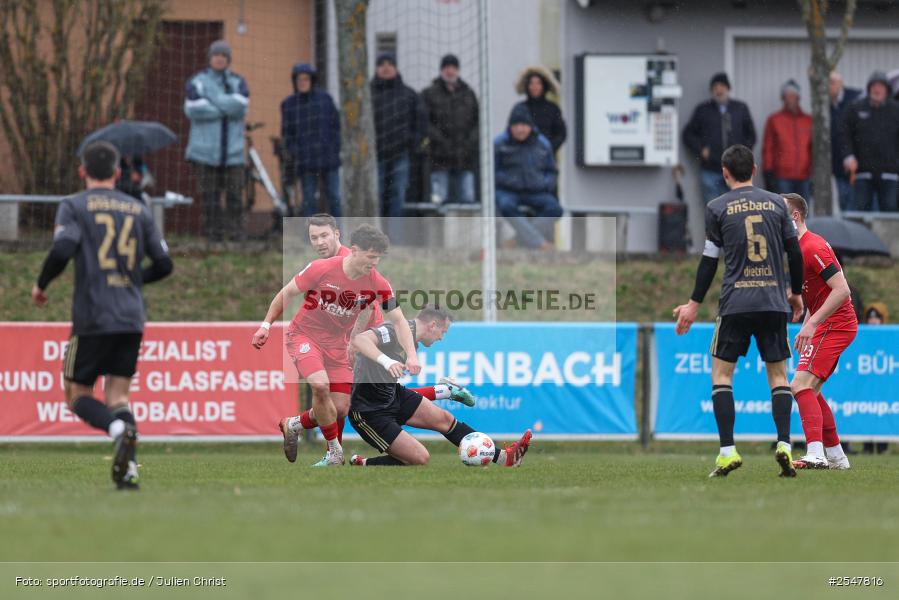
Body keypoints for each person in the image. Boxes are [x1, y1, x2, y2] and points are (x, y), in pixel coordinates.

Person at [276, 214, 476, 463]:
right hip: (345, 339)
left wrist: (355, 338)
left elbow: (369, 304)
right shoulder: (327, 265)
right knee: (350, 396)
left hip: (367, 335)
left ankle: (321, 444)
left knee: (365, 395)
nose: (319, 242)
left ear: (337, 235)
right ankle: (328, 449)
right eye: (314, 238)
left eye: (324, 235)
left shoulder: (356, 259)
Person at [31, 141, 174, 489]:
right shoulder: (138, 208)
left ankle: (116, 429)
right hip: (131, 317)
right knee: (119, 397)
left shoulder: (74, 205)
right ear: (117, 172)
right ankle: (129, 471)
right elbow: (164, 264)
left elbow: (63, 248)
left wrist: (41, 284)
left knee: (76, 394)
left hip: (93, 316)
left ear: (82, 171)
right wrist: (132, 280)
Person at [673, 144, 804, 478]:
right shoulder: (778, 204)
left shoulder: (717, 207)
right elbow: (794, 251)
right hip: (773, 302)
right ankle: (784, 444)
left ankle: (727, 451)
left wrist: (693, 304)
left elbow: (709, 260)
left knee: (722, 375)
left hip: (736, 303)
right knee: (779, 376)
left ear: (724, 172)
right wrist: (796, 292)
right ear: (755, 170)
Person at [252, 225, 420, 467]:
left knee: (340, 409)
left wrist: (411, 355)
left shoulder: (378, 282)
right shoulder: (321, 268)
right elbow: (286, 293)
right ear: (354, 250)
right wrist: (266, 326)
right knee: (320, 386)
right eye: (371, 257)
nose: (375, 262)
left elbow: (399, 320)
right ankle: (334, 453)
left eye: (379, 258)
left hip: (338, 345)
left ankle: (294, 424)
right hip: (305, 336)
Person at [347, 304, 532, 467]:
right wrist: (387, 362)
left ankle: (503, 458)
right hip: (368, 410)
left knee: (444, 419)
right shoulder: (395, 330)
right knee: (420, 458)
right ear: (432, 325)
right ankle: (364, 464)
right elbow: (361, 339)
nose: (442, 338)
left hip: (392, 395)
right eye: (443, 332)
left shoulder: (410, 340)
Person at [780, 194, 855, 470]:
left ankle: (816, 453)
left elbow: (842, 290)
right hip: (827, 323)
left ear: (795, 216)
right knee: (811, 389)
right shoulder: (798, 249)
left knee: (799, 385)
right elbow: (819, 295)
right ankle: (836, 456)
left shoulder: (812, 246)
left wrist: (812, 324)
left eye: (780, 213)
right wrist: (807, 323)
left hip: (836, 324)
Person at [184, 40, 250, 241]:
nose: (219, 58)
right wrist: (226, 106)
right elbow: (194, 108)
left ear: (228, 59)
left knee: (235, 196)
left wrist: (212, 100)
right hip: (205, 153)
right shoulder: (197, 81)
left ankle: (236, 234)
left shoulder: (238, 81)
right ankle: (213, 235)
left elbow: (241, 104)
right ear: (210, 58)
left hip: (233, 153)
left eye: (223, 55)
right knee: (210, 197)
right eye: (216, 55)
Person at [371, 53, 425, 242]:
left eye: (390, 63)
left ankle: (396, 240)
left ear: (396, 67)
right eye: (382, 64)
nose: (386, 67)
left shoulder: (409, 95)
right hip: (375, 157)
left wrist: (412, 144)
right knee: (375, 197)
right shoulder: (367, 94)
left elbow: (420, 124)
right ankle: (373, 239)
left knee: (397, 197)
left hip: (401, 155)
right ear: (376, 68)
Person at [494, 104, 562, 250]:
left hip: (536, 191)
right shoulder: (499, 144)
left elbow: (551, 171)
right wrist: (507, 180)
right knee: (505, 205)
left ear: (530, 126)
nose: (520, 129)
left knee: (555, 209)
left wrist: (545, 183)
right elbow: (492, 170)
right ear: (510, 126)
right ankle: (539, 243)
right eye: (516, 125)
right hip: (508, 190)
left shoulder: (543, 144)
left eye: (523, 125)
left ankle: (518, 241)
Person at [683, 72, 757, 204]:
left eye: (722, 86)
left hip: (736, 170)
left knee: (737, 208)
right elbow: (688, 134)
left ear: (728, 88)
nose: (719, 90)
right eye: (715, 87)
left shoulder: (740, 108)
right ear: (711, 91)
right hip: (710, 169)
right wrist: (701, 150)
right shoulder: (703, 110)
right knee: (714, 208)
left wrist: (743, 154)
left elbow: (751, 135)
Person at [280, 63, 341, 217]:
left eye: (306, 79)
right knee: (308, 200)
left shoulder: (325, 99)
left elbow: (337, 126)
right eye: (299, 79)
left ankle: (339, 230)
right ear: (294, 81)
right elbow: (287, 134)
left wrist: (334, 148)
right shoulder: (289, 105)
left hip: (329, 159)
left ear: (312, 80)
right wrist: (297, 152)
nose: (302, 82)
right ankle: (310, 231)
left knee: (334, 198)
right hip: (306, 161)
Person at [421, 54, 479, 205]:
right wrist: (440, 141)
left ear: (458, 70)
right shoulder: (429, 93)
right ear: (441, 70)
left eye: (453, 67)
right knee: (439, 202)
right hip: (439, 158)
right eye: (447, 67)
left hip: (465, 158)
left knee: (467, 200)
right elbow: (424, 122)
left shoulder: (469, 94)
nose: (450, 71)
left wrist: (469, 143)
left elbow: (477, 122)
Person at [840, 70, 899, 212]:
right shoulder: (855, 108)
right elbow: (844, 134)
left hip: (890, 173)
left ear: (887, 90)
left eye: (880, 86)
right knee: (861, 212)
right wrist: (848, 156)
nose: (877, 89)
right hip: (862, 172)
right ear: (868, 89)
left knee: (890, 211)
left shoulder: (896, 110)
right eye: (874, 86)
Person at [763, 80, 812, 200]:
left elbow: (812, 149)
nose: (790, 99)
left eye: (792, 96)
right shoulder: (774, 120)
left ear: (798, 98)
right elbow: (768, 148)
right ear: (783, 98)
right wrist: (768, 171)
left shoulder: (808, 121)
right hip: (782, 177)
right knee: (784, 210)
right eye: (787, 96)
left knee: (803, 210)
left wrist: (814, 174)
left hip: (804, 177)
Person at [514, 65, 567, 154]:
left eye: (538, 83)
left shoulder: (552, 109)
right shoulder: (520, 108)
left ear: (544, 85)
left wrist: (549, 148)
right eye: (531, 83)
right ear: (527, 86)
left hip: (546, 157)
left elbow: (561, 134)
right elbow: (511, 132)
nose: (534, 86)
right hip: (522, 156)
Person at [828, 72, 862, 212]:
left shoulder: (855, 99)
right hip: (838, 164)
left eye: (832, 82)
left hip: (857, 163)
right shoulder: (826, 106)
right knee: (844, 202)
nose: (829, 87)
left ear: (840, 83)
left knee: (857, 204)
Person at [862, 302, 890, 455]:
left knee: (882, 412)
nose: (873, 320)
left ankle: (882, 447)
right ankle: (867, 446)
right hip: (867, 383)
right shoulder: (863, 337)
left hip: (883, 383)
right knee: (867, 412)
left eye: (877, 317)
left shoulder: (887, 337)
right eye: (870, 317)